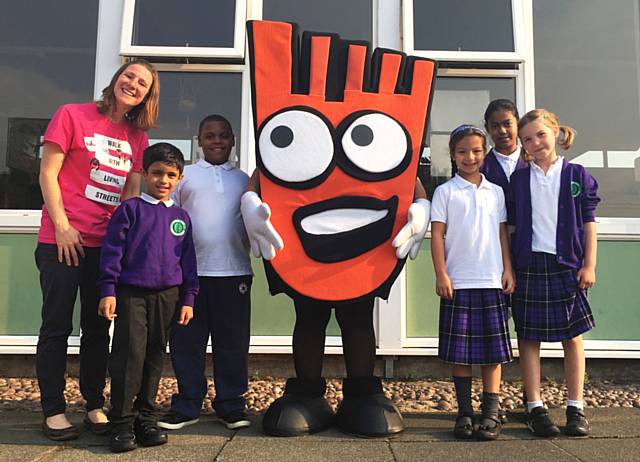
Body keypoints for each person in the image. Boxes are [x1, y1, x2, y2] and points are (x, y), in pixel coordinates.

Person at [35, 59, 159, 441]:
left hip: (103, 249)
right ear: (116, 79)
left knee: (97, 327)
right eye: (129, 76)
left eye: (142, 83)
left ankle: (92, 403)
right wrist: (62, 227)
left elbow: (129, 195)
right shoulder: (72, 115)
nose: (133, 84)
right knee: (56, 326)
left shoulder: (137, 137)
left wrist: (121, 245)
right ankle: (54, 410)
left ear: (147, 96)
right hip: (61, 242)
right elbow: (47, 174)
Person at [97, 143, 198, 453]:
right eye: (156, 173)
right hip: (131, 294)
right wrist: (108, 290)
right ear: (143, 173)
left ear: (179, 179)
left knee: (155, 355)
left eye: (170, 175)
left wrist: (189, 298)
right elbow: (112, 252)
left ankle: (146, 418)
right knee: (129, 356)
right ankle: (122, 421)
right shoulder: (130, 210)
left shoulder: (181, 217)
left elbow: (188, 260)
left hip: (167, 296)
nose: (163, 181)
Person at [158, 115, 253, 431]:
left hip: (234, 272)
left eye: (223, 135)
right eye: (209, 135)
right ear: (199, 140)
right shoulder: (185, 179)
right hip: (191, 276)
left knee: (233, 343)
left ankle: (231, 404)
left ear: (233, 140)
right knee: (187, 342)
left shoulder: (244, 180)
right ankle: (187, 404)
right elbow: (171, 220)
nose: (217, 141)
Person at [508, 109, 600, 438]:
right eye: (527, 140)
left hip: (567, 265)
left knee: (572, 337)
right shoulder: (519, 179)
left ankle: (576, 406)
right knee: (529, 338)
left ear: (556, 132)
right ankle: (535, 407)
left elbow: (589, 223)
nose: (535, 143)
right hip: (530, 265)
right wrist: (509, 267)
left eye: (540, 135)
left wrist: (589, 264)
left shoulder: (576, 175)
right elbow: (512, 226)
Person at [430, 125, 515, 441]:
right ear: (453, 155)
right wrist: (441, 273)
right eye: (463, 151)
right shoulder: (445, 192)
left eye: (477, 151)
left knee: (493, 353)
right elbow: (437, 234)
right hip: (459, 281)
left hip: (491, 279)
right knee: (460, 353)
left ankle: (490, 413)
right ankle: (464, 412)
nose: (470, 157)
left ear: (485, 153)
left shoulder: (496, 192)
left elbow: (502, 233)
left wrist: (508, 270)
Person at [482, 99, 527, 193]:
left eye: (507, 124)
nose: (502, 131)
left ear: (518, 124)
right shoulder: (482, 167)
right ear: (487, 128)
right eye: (495, 126)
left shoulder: (532, 162)